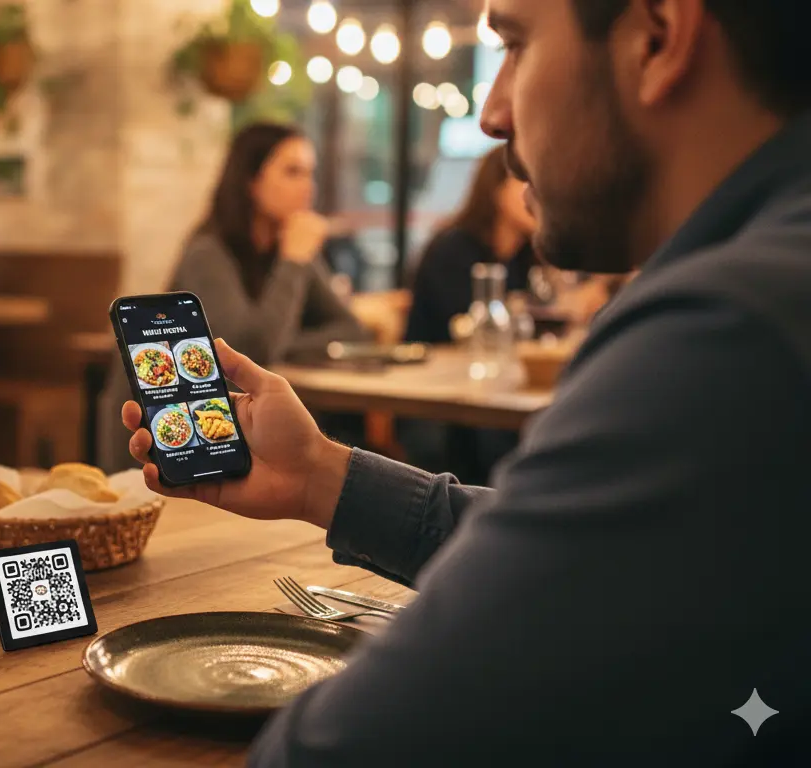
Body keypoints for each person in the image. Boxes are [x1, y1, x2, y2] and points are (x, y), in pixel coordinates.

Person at [121, 0, 809, 762]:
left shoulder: (731, 328)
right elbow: (585, 581)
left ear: (657, 37)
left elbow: (336, 750)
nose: (490, 113)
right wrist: (319, 475)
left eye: (515, 44)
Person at [97, 123, 372, 471]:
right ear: (251, 181)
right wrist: (293, 263)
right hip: (161, 433)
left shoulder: (286, 245)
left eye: (310, 173)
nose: (309, 186)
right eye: (293, 172)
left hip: (225, 427)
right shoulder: (209, 252)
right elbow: (251, 350)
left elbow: (351, 329)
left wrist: (285, 337)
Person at [404, 145, 537, 344]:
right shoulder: (453, 249)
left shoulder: (524, 255)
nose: (536, 196)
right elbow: (464, 326)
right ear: (496, 188)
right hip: (436, 365)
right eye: (526, 182)